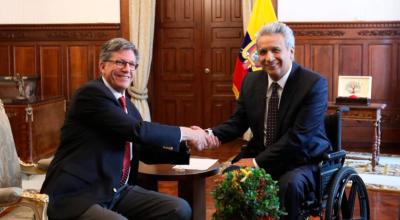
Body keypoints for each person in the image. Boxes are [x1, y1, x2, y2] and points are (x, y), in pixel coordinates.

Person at [41, 38, 216, 220]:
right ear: (102, 66)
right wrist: (187, 132)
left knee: (178, 209)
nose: (127, 69)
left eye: (132, 64)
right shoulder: (91, 94)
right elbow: (137, 131)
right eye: (120, 62)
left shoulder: (129, 107)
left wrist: (185, 143)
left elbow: (145, 151)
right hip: (78, 193)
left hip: (115, 190)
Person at [204, 22, 330, 219]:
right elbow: (237, 123)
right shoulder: (251, 81)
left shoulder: (313, 84)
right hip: (263, 152)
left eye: (275, 50)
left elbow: (299, 139)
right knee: (231, 176)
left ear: (291, 51)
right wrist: (208, 135)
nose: (269, 58)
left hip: (301, 160)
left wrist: (255, 163)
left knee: (289, 184)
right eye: (263, 52)